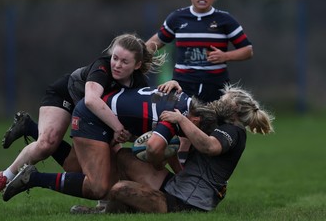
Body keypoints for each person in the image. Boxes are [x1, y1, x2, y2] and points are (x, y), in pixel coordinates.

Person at [0, 33, 165, 203]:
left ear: (137, 65)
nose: (116, 64)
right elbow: (92, 100)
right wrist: (117, 129)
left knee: (78, 168)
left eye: (124, 62)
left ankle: (29, 127)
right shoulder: (102, 67)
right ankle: (5, 176)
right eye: (115, 58)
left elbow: (133, 119)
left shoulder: (139, 84)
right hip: (64, 96)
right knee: (46, 143)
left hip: (92, 116)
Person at [0, 83, 212, 204]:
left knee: (73, 167)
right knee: (99, 186)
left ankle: (29, 127)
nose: (190, 137)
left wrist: (181, 176)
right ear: (196, 121)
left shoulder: (182, 98)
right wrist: (158, 163)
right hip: (93, 117)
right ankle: (34, 178)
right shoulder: (177, 117)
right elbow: (155, 148)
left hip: (107, 117)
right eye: (195, 133)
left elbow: (168, 146)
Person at [103, 83, 274, 213]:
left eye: (225, 99)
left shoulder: (234, 131)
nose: (220, 100)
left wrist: (180, 120)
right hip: (177, 186)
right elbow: (191, 114)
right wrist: (174, 85)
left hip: (189, 201)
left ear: (235, 107)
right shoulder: (217, 122)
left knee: (120, 189)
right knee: (124, 156)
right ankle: (110, 209)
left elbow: (210, 147)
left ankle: (118, 209)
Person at [145, 0, 254, 164]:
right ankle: (184, 175)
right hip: (184, 85)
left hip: (216, 86)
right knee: (184, 131)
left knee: (215, 132)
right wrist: (137, 56)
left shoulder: (224, 20)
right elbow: (155, 43)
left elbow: (247, 50)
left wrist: (225, 55)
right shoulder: (177, 18)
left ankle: (216, 177)